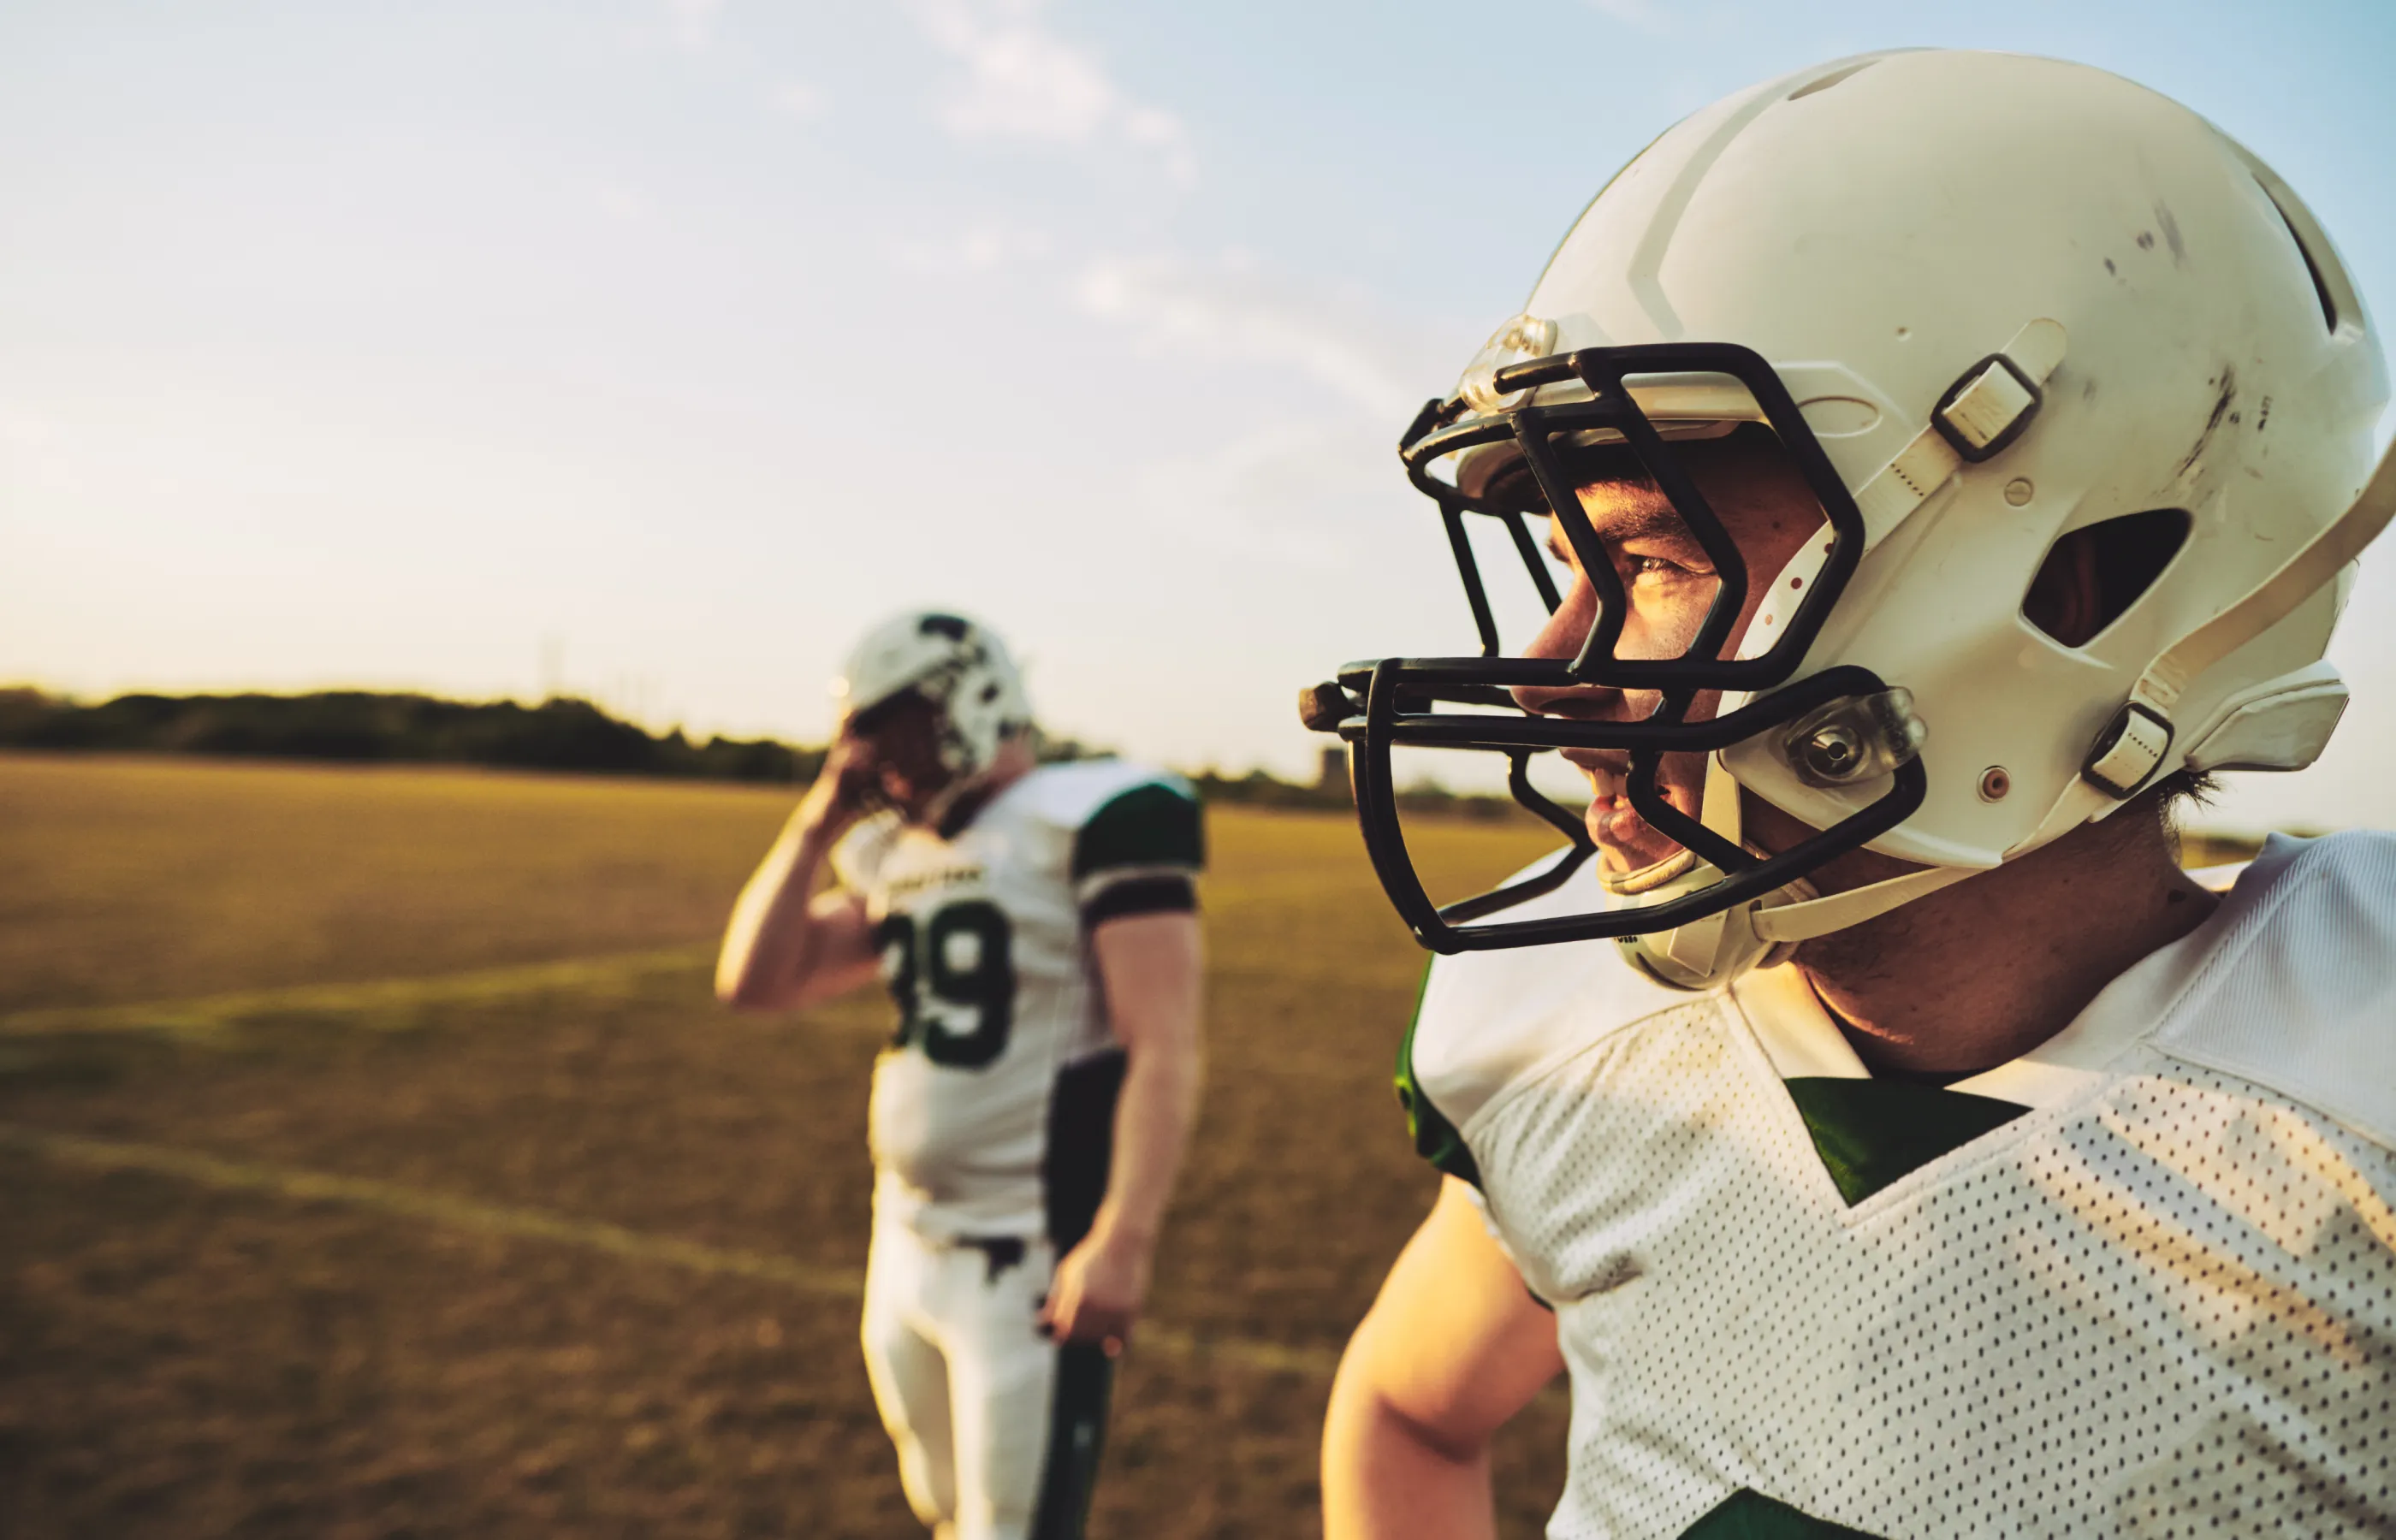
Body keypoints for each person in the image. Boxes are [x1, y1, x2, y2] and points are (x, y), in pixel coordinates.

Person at [1310, 50, 2396, 1539]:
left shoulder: (2356, 1104)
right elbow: (1406, 1414)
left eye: (1651, 560)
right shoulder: (1572, 1037)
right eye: (1564, 572)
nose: (1556, 679)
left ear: (2083, 581)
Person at [716, 611, 1205, 1540]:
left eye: (892, 729)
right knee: (941, 1508)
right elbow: (755, 981)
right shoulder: (898, 852)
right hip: (902, 1240)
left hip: (1027, 1256)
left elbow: (1165, 1045)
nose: (875, 760)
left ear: (972, 695)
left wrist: (1124, 1236)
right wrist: (817, 820)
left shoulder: (1092, 817)